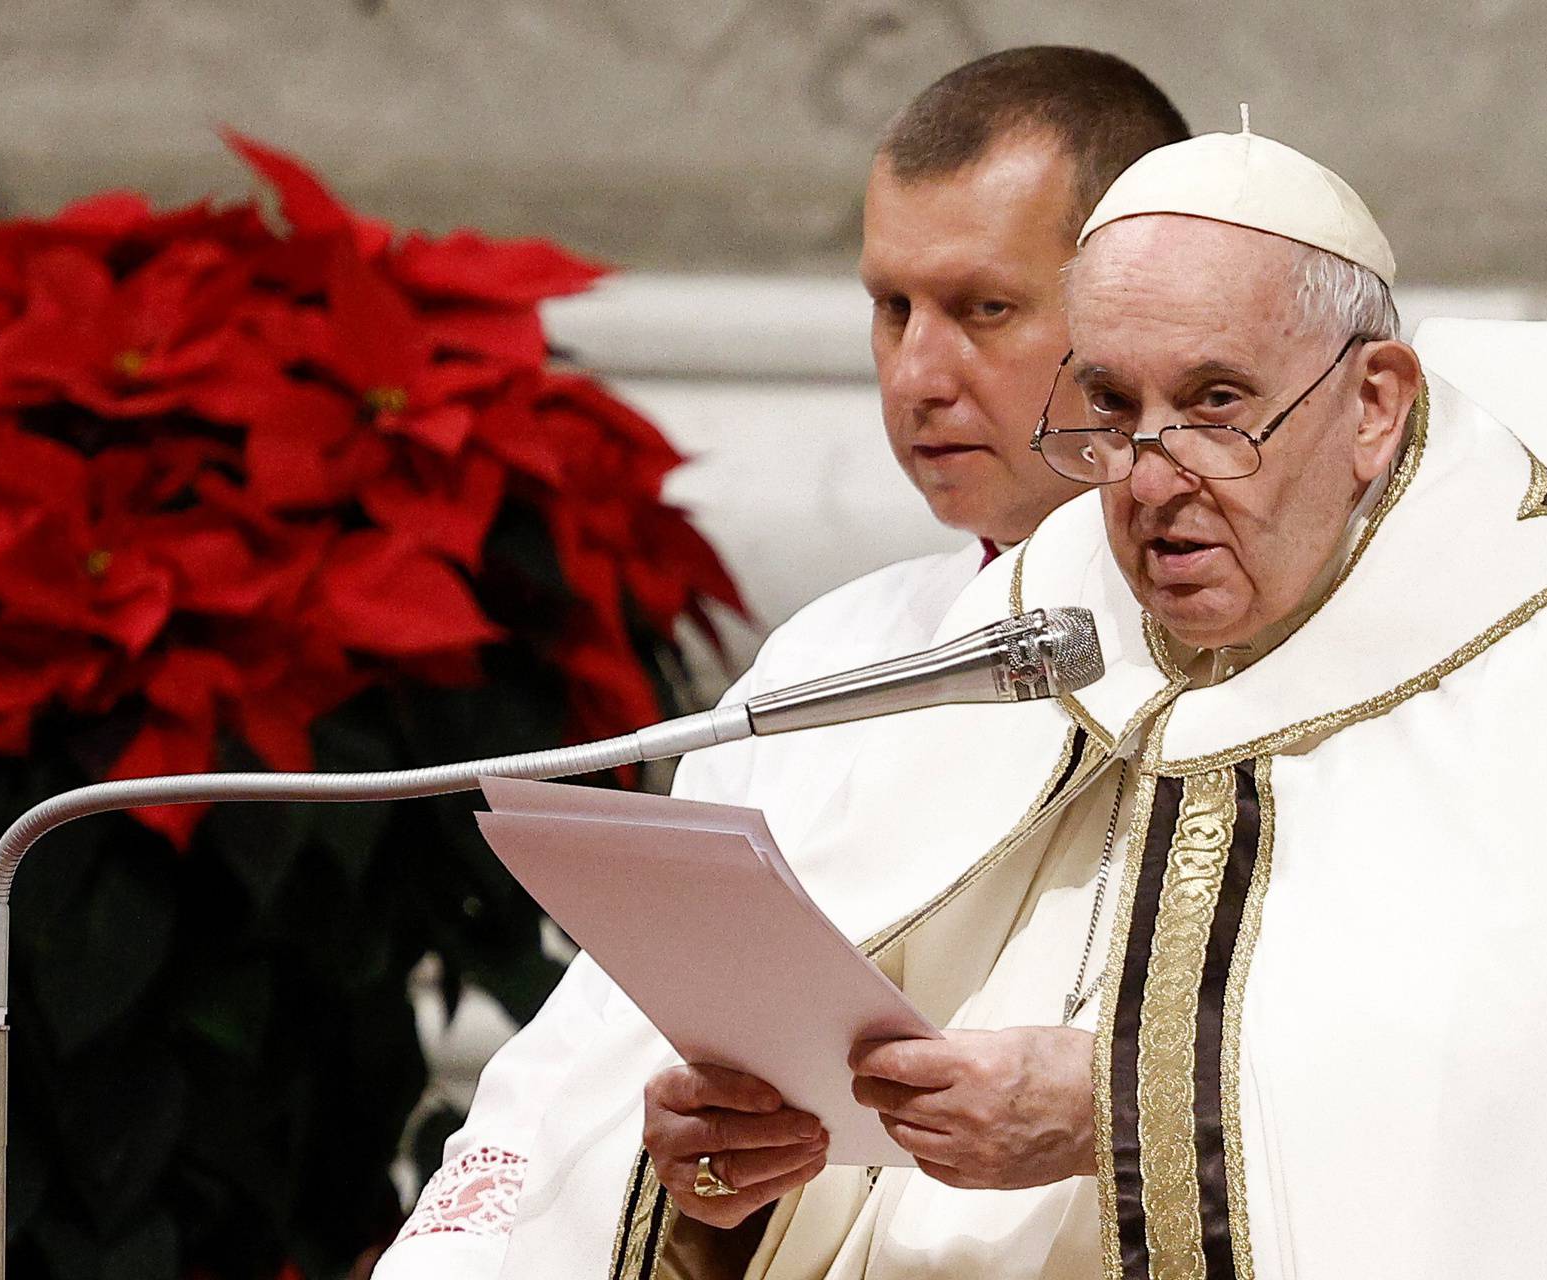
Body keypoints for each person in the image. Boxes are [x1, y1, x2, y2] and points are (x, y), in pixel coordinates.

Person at [625, 128, 1547, 1277]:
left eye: (1214, 404)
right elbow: (872, 1045)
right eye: (1109, 405)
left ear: (1374, 404)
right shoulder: (1055, 612)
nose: (1148, 476)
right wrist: (752, 1160)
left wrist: (1117, 1111)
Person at [373, 48, 1189, 1277]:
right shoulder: (832, 656)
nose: (916, 374)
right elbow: (611, 1095)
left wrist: (1114, 1111)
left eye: (984, 309)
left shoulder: (1250, 666)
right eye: (889, 307)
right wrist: (710, 1190)